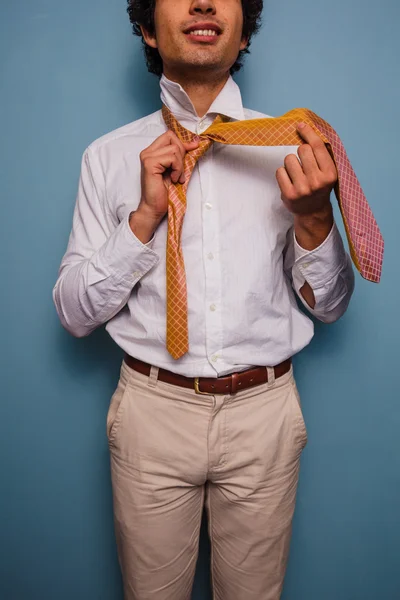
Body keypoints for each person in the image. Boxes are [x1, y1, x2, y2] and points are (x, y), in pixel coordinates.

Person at [53, 0, 355, 598]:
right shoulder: (107, 156)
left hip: (263, 415)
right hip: (152, 415)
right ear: (146, 28)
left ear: (243, 33)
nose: (201, 2)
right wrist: (142, 220)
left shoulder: (293, 147)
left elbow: (333, 306)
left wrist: (317, 219)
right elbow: (72, 314)